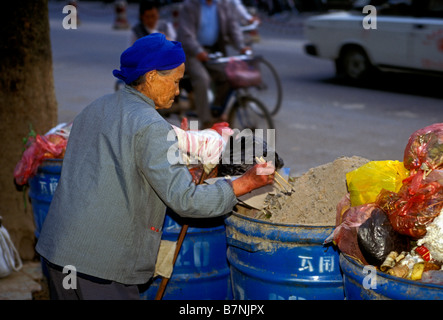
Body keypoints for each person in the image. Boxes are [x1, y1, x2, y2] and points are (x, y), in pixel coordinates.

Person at [35, 33, 275, 300]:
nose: (177, 90)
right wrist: (245, 183)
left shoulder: (95, 107)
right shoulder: (153, 126)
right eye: (175, 81)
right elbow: (185, 200)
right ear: (151, 77)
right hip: (99, 266)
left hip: (58, 252)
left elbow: (115, 168)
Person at [177, 0, 251, 129]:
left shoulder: (223, 5)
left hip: (214, 51)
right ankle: (206, 121)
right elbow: (186, 34)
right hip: (191, 53)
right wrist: (198, 51)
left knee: (228, 75)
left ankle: (216, 112)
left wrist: (241, 46)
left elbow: (233, 27)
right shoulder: (190, 6)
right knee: (202, 79)